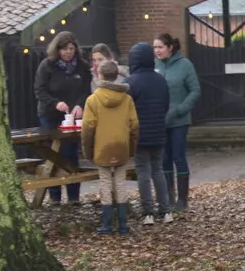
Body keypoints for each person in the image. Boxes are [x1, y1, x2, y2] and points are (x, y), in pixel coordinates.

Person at [81, 60, 138, 234]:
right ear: (116, 75)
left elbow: (88, 129)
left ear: (100, 75)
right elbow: (134, 126)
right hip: (121, 146)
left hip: (102, 148)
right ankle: (123, 224)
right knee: (120, 183)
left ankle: (106, 224)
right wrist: (131, 149)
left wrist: (88, 151)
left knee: (105, 184)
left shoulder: (93, 100)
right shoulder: (127, 99)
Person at [34, 31, 90, 205]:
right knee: (53, 154)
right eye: (64, 49)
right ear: (57, 49)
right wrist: (54, 103)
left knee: (70, 153)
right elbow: (39, 90)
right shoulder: (47, 66)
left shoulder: (82, 66)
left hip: (72, 116)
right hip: (51, 115)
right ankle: (55, 196)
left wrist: (80, 104)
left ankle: (74, 196)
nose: (68, 52)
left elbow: (85, 90)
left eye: (71, 49)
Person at [126, 42, 174, 224]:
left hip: (140, 134)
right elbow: (166, 105)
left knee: (143, 173)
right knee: (158, 171)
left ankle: (148, 212)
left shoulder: (130, 82)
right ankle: (166, 210)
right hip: (159, 131)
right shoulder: (160, 80)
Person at [154, 34, 200, 211]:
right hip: (160, 119)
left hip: (179, 119)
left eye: (160, 47)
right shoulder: (155, 65)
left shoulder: (185, 65)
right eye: (155, 48)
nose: (157, 51)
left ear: (170, 47)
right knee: (164, 158)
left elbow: (195, 90)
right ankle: (168, 197)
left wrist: (181, 109)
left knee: (177, 156)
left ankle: (182, 199)